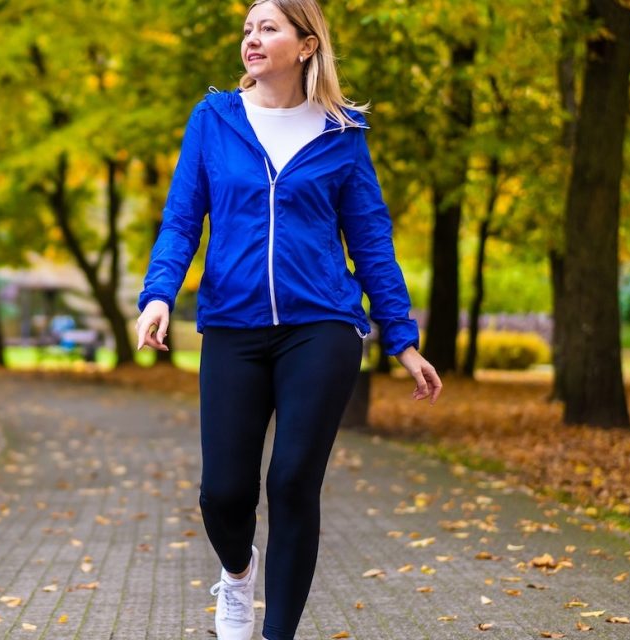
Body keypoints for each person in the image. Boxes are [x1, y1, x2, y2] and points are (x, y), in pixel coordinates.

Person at [134, 2, 443, 638]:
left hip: (322, 326)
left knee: (294, 478)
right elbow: (182, 218)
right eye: (248, 28)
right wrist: (159, 294)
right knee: (223, 492)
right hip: (233, 326)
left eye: (268, 27)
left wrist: (402, 340)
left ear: (306, 45)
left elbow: (372, 240)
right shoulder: (214, 120)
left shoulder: (342, 132)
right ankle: (238, 575)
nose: (252, 38)